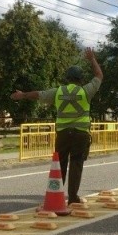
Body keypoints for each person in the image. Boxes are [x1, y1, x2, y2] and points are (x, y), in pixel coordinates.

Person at [10, 47, 103, 205]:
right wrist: (92, 59)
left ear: (67, 78)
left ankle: (56, 196)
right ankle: (73, 197)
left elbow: (39, 95)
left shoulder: (58, 92)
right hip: (80, 134)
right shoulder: (85, 91)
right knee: (76, 164)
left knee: (60, 165)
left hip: (63, 134)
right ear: (80, 79)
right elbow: (99, 75)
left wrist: (22, 95)